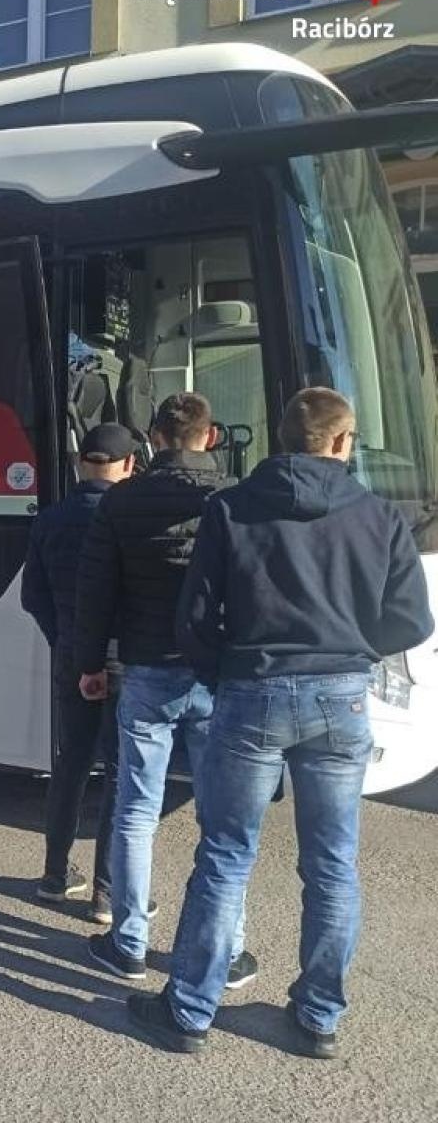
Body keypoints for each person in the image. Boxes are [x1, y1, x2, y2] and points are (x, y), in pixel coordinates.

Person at [128, 388, 434, 1057]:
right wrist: (351, 649)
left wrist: (223, 673)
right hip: (342, 699)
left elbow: (194, 618)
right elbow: (414, 619)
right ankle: (319, 1016)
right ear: (344, 442)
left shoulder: (230, 509)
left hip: (251, 693)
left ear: (280, 436)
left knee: (226, 855)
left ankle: (189, 1012)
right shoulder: (379, 518)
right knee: (331, 863)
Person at [72, 392, 255, 984]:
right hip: (215, 672)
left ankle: (127, 942)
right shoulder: (234, 501)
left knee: (135, 808)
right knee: (221, 817)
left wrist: (90, 661)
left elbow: (95, 590)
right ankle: (224, 953)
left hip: (146, 669)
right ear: (210, 436)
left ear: (154, 437)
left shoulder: (121, 503)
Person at [21, 422, 136, 909]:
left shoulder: (50, 519)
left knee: (71, 762)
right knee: (119, 772)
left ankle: (54, 873)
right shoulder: (130, 519)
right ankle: (108, 893)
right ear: (129, 465)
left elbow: (33, 597)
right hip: (123, 662)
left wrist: (62, 639)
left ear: (79, 464)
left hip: (72, 658)